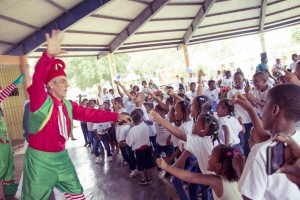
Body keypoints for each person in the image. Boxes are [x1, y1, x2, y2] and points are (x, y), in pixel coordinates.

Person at [22, 30, 130, 200]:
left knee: (76, 192)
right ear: (51, 85)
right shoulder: (40, 101)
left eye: (67, 80)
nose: (68, 84)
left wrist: (115, 116)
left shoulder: (67, 105)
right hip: (40, 161)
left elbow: (90, 113)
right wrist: (48, 56)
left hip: (61, 156)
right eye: (63, 81)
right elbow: (37, 79)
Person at [232, 84, 300, 200]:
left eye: (265, 105)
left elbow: (249, 197)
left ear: (274, 109)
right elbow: (271, 141)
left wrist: (240, 168)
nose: (262, 111)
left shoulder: (260, 153)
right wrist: (250, 108)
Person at [157, 144, 243, 200]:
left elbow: (190, 177)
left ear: (218, 166)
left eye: (211, 156)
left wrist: (166, 166)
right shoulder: (236, 177)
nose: (208, 157)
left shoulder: (217, 181)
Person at [0, 73, 24, 197]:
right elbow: (2, 95)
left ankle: (9, 187)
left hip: (4, 139)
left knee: (9, 163)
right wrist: (15, 83)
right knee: (2, 165)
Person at [126, 109, 155, 185]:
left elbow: (129, 143)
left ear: (132, 120)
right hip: (148, 148)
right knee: (148, 164)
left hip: (139, 150)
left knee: (140, 165)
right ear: (140, 118)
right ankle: (149, 178)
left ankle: (143, 179)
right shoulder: (145, 125)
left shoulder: (132, 130)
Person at [227, 72, 252, 157]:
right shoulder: (231, 92)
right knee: (241, 141)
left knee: (248, 141)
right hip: (238, 120)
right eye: (235, 78)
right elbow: (229, 105)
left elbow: (251, 104)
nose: (236, 80)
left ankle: (248, 158)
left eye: (239, 78)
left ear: (243, 80)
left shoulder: (248, 90)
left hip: (248, 120)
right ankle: (242, 160)